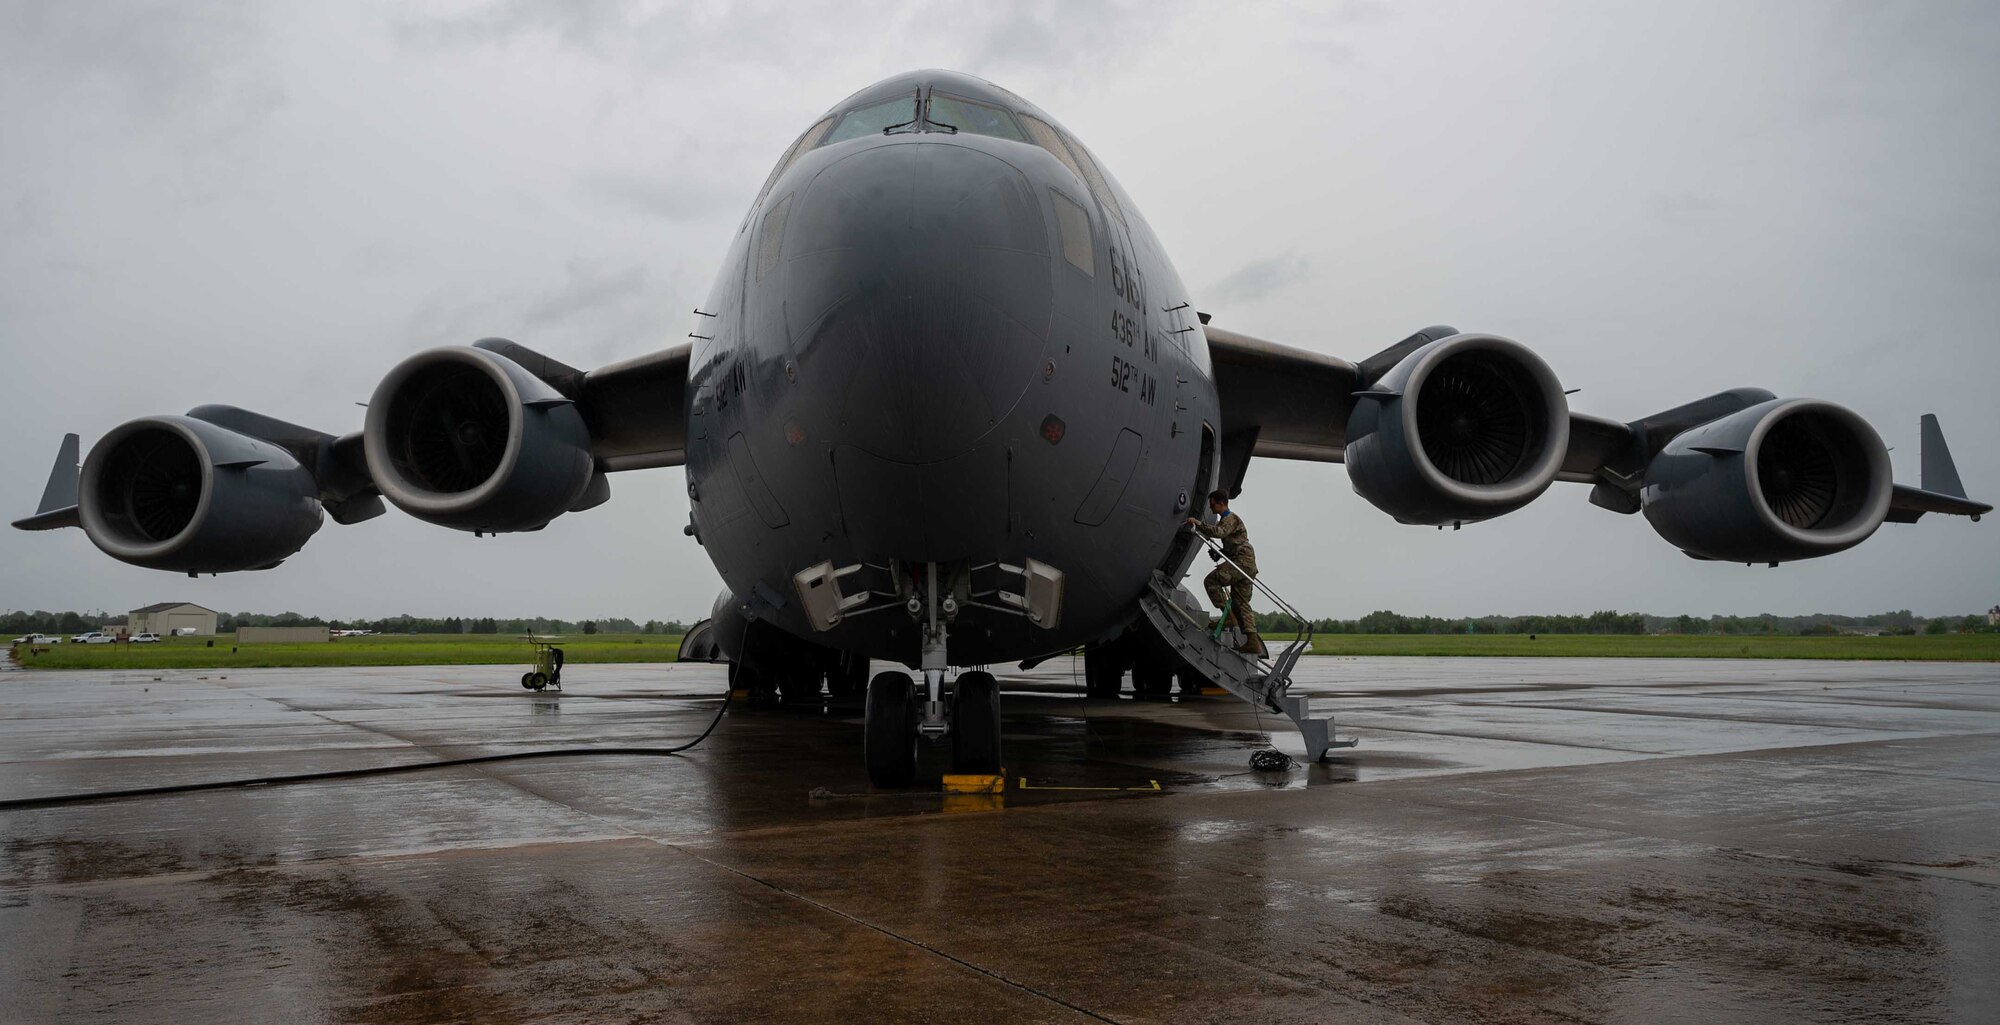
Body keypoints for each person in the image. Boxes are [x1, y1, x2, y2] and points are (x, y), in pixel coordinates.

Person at [1185, 490, 1265, 656]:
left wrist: (1198, 524)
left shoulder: (1229, 518)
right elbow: (1233, 543)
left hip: (1241, 563)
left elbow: (1219, 533)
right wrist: (1222, 552)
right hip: (1245, 563)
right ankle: (1252, 642)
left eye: (1212, 504)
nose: (1211, 507)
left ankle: (1228, 617)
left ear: (1221, 503)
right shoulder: (1229, 520)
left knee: (1211, 581)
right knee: (1241, 602)